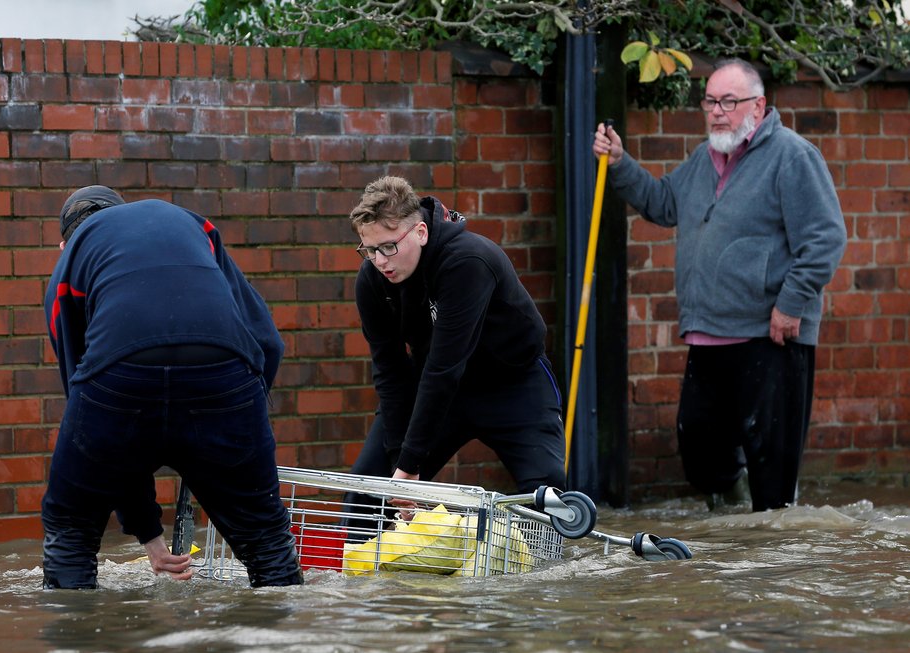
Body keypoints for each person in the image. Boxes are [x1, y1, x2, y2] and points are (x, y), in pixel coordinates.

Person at [592, 58, 847, 511]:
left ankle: (771, 558)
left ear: (759, 105)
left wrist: (791, 305)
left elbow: (825, 237)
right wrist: (619, 162)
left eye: (729, 101)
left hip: (771, 336)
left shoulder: (792, 156)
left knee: (774, 474)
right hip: (709, 334)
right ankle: (734, 522)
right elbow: (663, 203)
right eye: (710, 100)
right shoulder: (705, 158)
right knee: (700, 453)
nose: (716, 111)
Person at [42, 185, 303, 589]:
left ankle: (77, 640)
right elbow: (267, 341)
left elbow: (92, 405)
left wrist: (147, 531)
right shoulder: (191, 223)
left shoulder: (72, 259)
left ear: (64, 244)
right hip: (225, 373)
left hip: (120, 374)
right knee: (266, 539)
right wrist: (238, 421)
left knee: (71, 530)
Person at [344, 176, 566, 530]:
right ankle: (369, 578)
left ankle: (541, 579)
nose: (379, 261)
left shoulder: (468, 261)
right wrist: (397, 469)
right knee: (367, 492)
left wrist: (411, 466)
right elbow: (390, 372)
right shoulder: (372, 280)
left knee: (547, 493)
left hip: (511, 382)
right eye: (368, 250)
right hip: (435, 387)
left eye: (387, 247)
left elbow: (445, 367)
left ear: (419, 232)